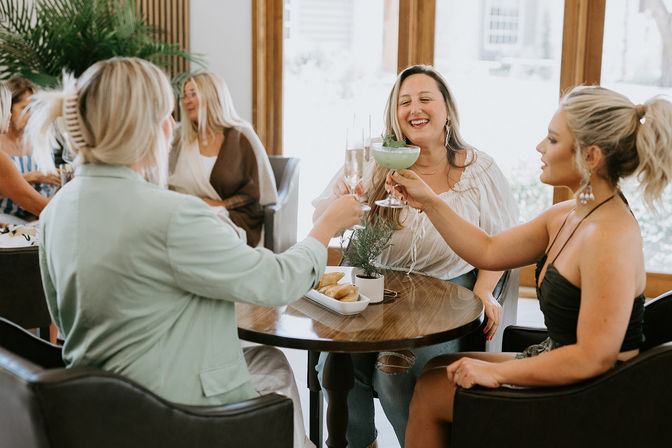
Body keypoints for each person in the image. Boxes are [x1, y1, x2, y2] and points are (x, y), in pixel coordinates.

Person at [28, 57, 363, 448]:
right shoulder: (172, 215)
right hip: (173, 416)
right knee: (270, 373)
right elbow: (279, 282)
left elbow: (61, 320)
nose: (172, 126)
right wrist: (326, 225)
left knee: (266, 361)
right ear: (143, 127)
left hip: (99, 407)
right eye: (166, 114)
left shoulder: (57, 209)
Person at [392, 85, 672, 447]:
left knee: (432, 391)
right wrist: (428, 200)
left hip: (594, 397)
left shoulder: (608, 238)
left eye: (552, 140)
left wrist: (498, 373)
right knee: (435, 369)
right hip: (564, 365)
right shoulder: (571, 213)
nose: (540, 147)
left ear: (590, 156)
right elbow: (489, 250)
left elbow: (593, 358)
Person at [312, 65, 518, 448]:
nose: (414, 108)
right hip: (373, 286)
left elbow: (501, 241)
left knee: (395, 372)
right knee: (336, 368)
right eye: (404, 101)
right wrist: (340, 201)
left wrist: (485, 291)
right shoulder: (376, 159)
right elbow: (324, 218)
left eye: (425, 99)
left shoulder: (479, 169)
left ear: (447, 112)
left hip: (444, 290)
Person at [169, 72, 277, 247]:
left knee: (204, 236)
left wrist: (220, 204)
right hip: (187, 214)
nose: (187, 101)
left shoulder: (241, 135)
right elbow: (165, 180)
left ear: (212, 96)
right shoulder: (180, 137)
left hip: (232, 217)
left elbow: (258, 192)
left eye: (193, 94)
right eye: (184, 96)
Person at [0, 76, 59, 221]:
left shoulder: (42, 139)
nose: (33, 115)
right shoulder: (2, 157)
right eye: (26, 109)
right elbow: (38, 205)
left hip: (37, 218)